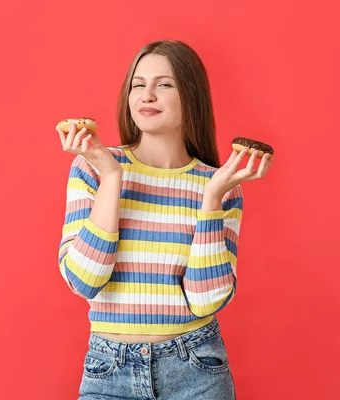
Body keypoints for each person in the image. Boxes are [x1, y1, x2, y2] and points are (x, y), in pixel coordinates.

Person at [56, 39, 272, 400]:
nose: (147, 95)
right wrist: (111, 178)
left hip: (196, 368)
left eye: (164, 84)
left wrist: (212, 198)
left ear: (191, 96)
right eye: (138, 84)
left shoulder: (221, 186)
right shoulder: (92, 166)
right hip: (108, 370)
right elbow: (83, 281)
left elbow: (207, 300)